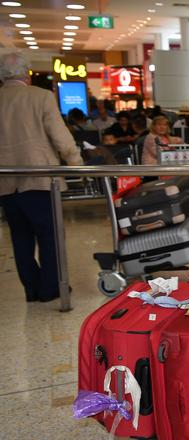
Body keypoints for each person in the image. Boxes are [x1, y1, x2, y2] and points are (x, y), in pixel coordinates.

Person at [0, 51, 83, 302]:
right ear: (27, 73)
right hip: (39, 179)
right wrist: (76, 164)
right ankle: (51, 289)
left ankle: (32, 289)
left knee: (20, 237)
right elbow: (60, 137)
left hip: (5, 182)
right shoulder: (41, 97)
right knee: (50, 236)